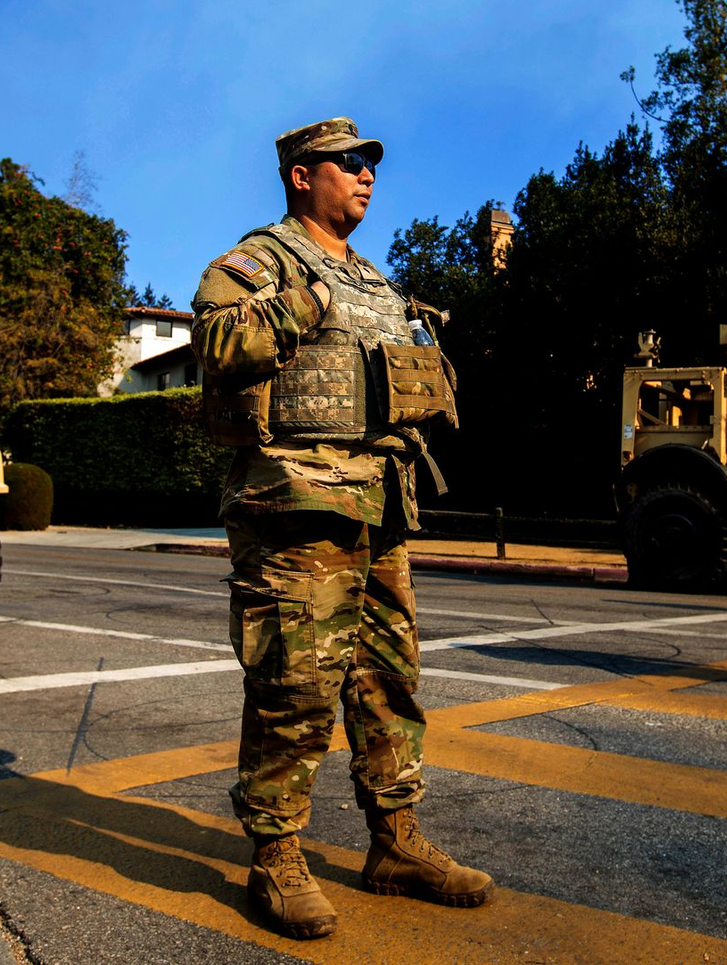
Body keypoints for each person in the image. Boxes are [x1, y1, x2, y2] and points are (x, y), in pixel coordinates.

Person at [191, 117, 493, 940]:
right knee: (295, 685)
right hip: (297, 502)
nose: (366, 175)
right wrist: (304, 301)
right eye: (349, 164)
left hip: (381, 504)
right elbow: (216, 338)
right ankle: (276, 855)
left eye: (370, 165)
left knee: (387, 683)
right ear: (301, 176)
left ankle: (395, 842)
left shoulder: (379, 281)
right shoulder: (264, 259)